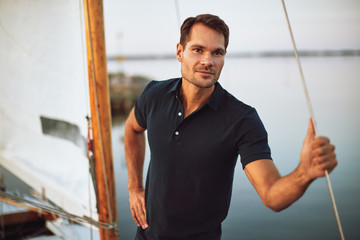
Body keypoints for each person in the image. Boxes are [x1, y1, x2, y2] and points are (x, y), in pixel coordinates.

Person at [124, 14, 337, 240]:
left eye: (217, 52)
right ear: (179, 52)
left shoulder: (242, 120)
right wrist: (134, 187)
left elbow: (271, 194)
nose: (208, 61)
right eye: (198, 49)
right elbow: (132, 129)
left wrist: (304, 173)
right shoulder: (154, 94)